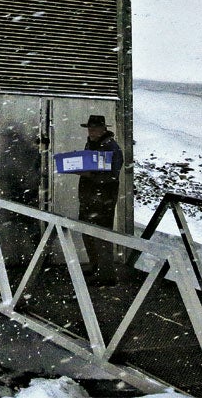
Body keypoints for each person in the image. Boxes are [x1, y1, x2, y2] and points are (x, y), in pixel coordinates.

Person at [77, 114, 122, 283]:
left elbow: (112, 175)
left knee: (101, 235)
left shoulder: (112, 147)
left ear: (104, 129)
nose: (92, 131)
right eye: (90, 128)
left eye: (95, 128)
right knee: (87, 231)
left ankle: (106, 274)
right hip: (88, 196)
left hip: (103, 199)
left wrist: (89, 174)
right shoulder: (92, 144)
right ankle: (95, 266)